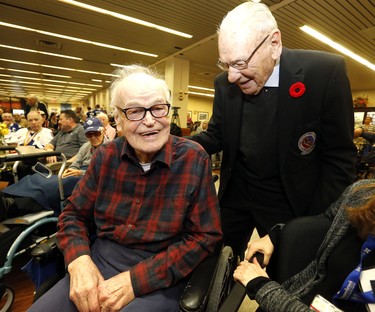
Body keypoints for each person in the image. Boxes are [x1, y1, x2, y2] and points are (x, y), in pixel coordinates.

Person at [28, 65, 222, 312]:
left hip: (163, 273)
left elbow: (204, 238)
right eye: (135, 111)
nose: (150, 120)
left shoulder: (194, 159)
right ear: (117, 120)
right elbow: (73, 215)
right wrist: (79, 261)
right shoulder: (105, 157)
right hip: (98, 260)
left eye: (158, 108)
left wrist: (135, 281)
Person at [190, 2, 356, 258]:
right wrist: (169, 145)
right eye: (225, 64)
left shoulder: (323, 73)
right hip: (236, 195)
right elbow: (216, 135)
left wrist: (311, 224)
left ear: (274, 44)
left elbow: (339, 159)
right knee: (212, 264)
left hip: (289, 202)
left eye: (240, 63)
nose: (232, 76)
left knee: (285, 278)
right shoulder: (224, 84)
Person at [233, 179, 375, 312]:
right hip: (304, 296)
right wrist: (275, 236)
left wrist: (262, 287)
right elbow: (327, 221)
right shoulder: (363, 194)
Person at [0, 117, 106, 221]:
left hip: (91, 177)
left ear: (103, 131)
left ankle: (14, 205)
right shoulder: (85, 146)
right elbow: (76, 163)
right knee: (38, 178)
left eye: (96, 133)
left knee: (58, 184)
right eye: (89, 134)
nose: (93, 137)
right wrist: (71, 170)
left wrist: (80, 173)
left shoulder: (110, 148)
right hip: (76, 173)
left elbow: (106, 172)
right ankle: (9, 195)